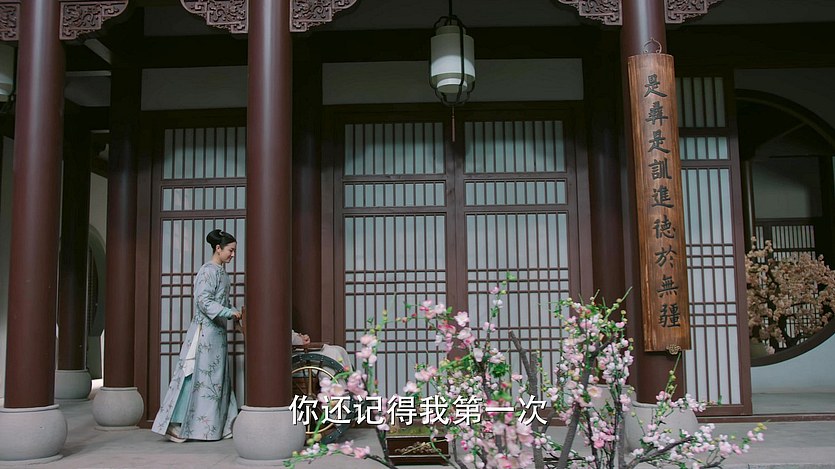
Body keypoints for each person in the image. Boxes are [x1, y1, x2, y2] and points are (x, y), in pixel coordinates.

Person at [152, 229, 243, 443]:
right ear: (218, 248)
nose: (232, 255)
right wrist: (229, 312)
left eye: (234, 251)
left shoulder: (223, 273)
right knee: (196, 377)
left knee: (218, 380)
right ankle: (176, 424)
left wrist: (235, 314)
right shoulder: (207, 271)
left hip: (217, 334)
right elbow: (203, 301)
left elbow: (223, 302)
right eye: (230, 250)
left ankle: (219, 426)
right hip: (204, 333)